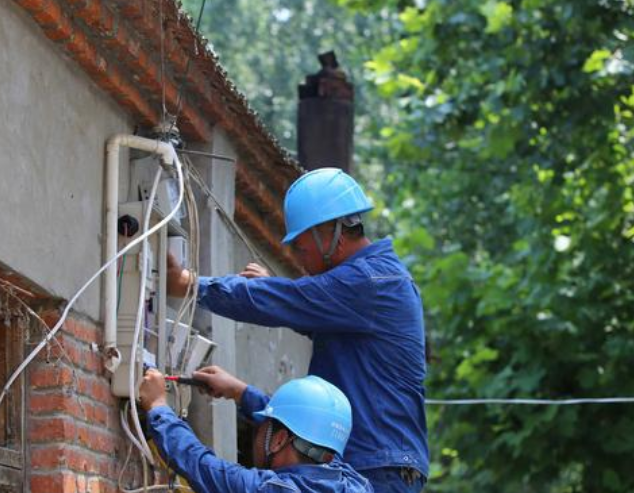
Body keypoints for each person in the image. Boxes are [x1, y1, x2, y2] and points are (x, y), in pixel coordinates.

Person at [169, 167, 429, 493]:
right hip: (378, 462)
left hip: (376, 464)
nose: (299, 258)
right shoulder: (373, 284)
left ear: (328, 232)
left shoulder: (372, 283)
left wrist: (189, 285)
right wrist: (239, 391)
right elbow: (297, 305)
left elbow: (289, 301)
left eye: (301, 247)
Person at [139, 367, 373, 493]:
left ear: (278, 440)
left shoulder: (270, 489)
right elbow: (312, 426)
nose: (258, 430)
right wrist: (239, 392)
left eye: (264, 425)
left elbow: (198, 462)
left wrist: (158, 406)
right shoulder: (355, 483)